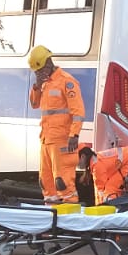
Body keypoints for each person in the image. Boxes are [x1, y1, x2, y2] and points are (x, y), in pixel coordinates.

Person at [26, 44, 85, 203]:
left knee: (63, 183)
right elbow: (34, 104)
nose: (39, 73)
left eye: (40, 69)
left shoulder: (67, 82)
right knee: (46, 183)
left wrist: (74, 135)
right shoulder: (44, 83)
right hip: (46, 140)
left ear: (49, 62)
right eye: (36, 71)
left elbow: (78, 111)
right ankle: (50, 215)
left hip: (62, 141)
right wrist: (37, 86)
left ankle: (70, 217)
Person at [74, 143, 128, 207]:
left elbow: (100, 191)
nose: (73, 164)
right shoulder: (96, 160)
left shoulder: (96, 166)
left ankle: (111, 213)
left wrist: (99, 209)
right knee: (116, 187)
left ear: (82, 157)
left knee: (111, 189)